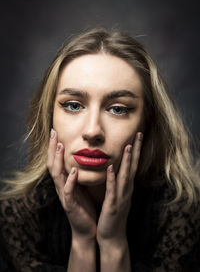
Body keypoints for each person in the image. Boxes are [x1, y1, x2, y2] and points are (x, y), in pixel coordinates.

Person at [0, 27, 200, 272]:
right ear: (49, 117)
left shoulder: (185, 216)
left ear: (147, 124)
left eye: (118, 109)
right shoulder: (17, 218)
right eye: (73, 105)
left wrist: (113, 244)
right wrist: (83, 242)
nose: (93, 130)